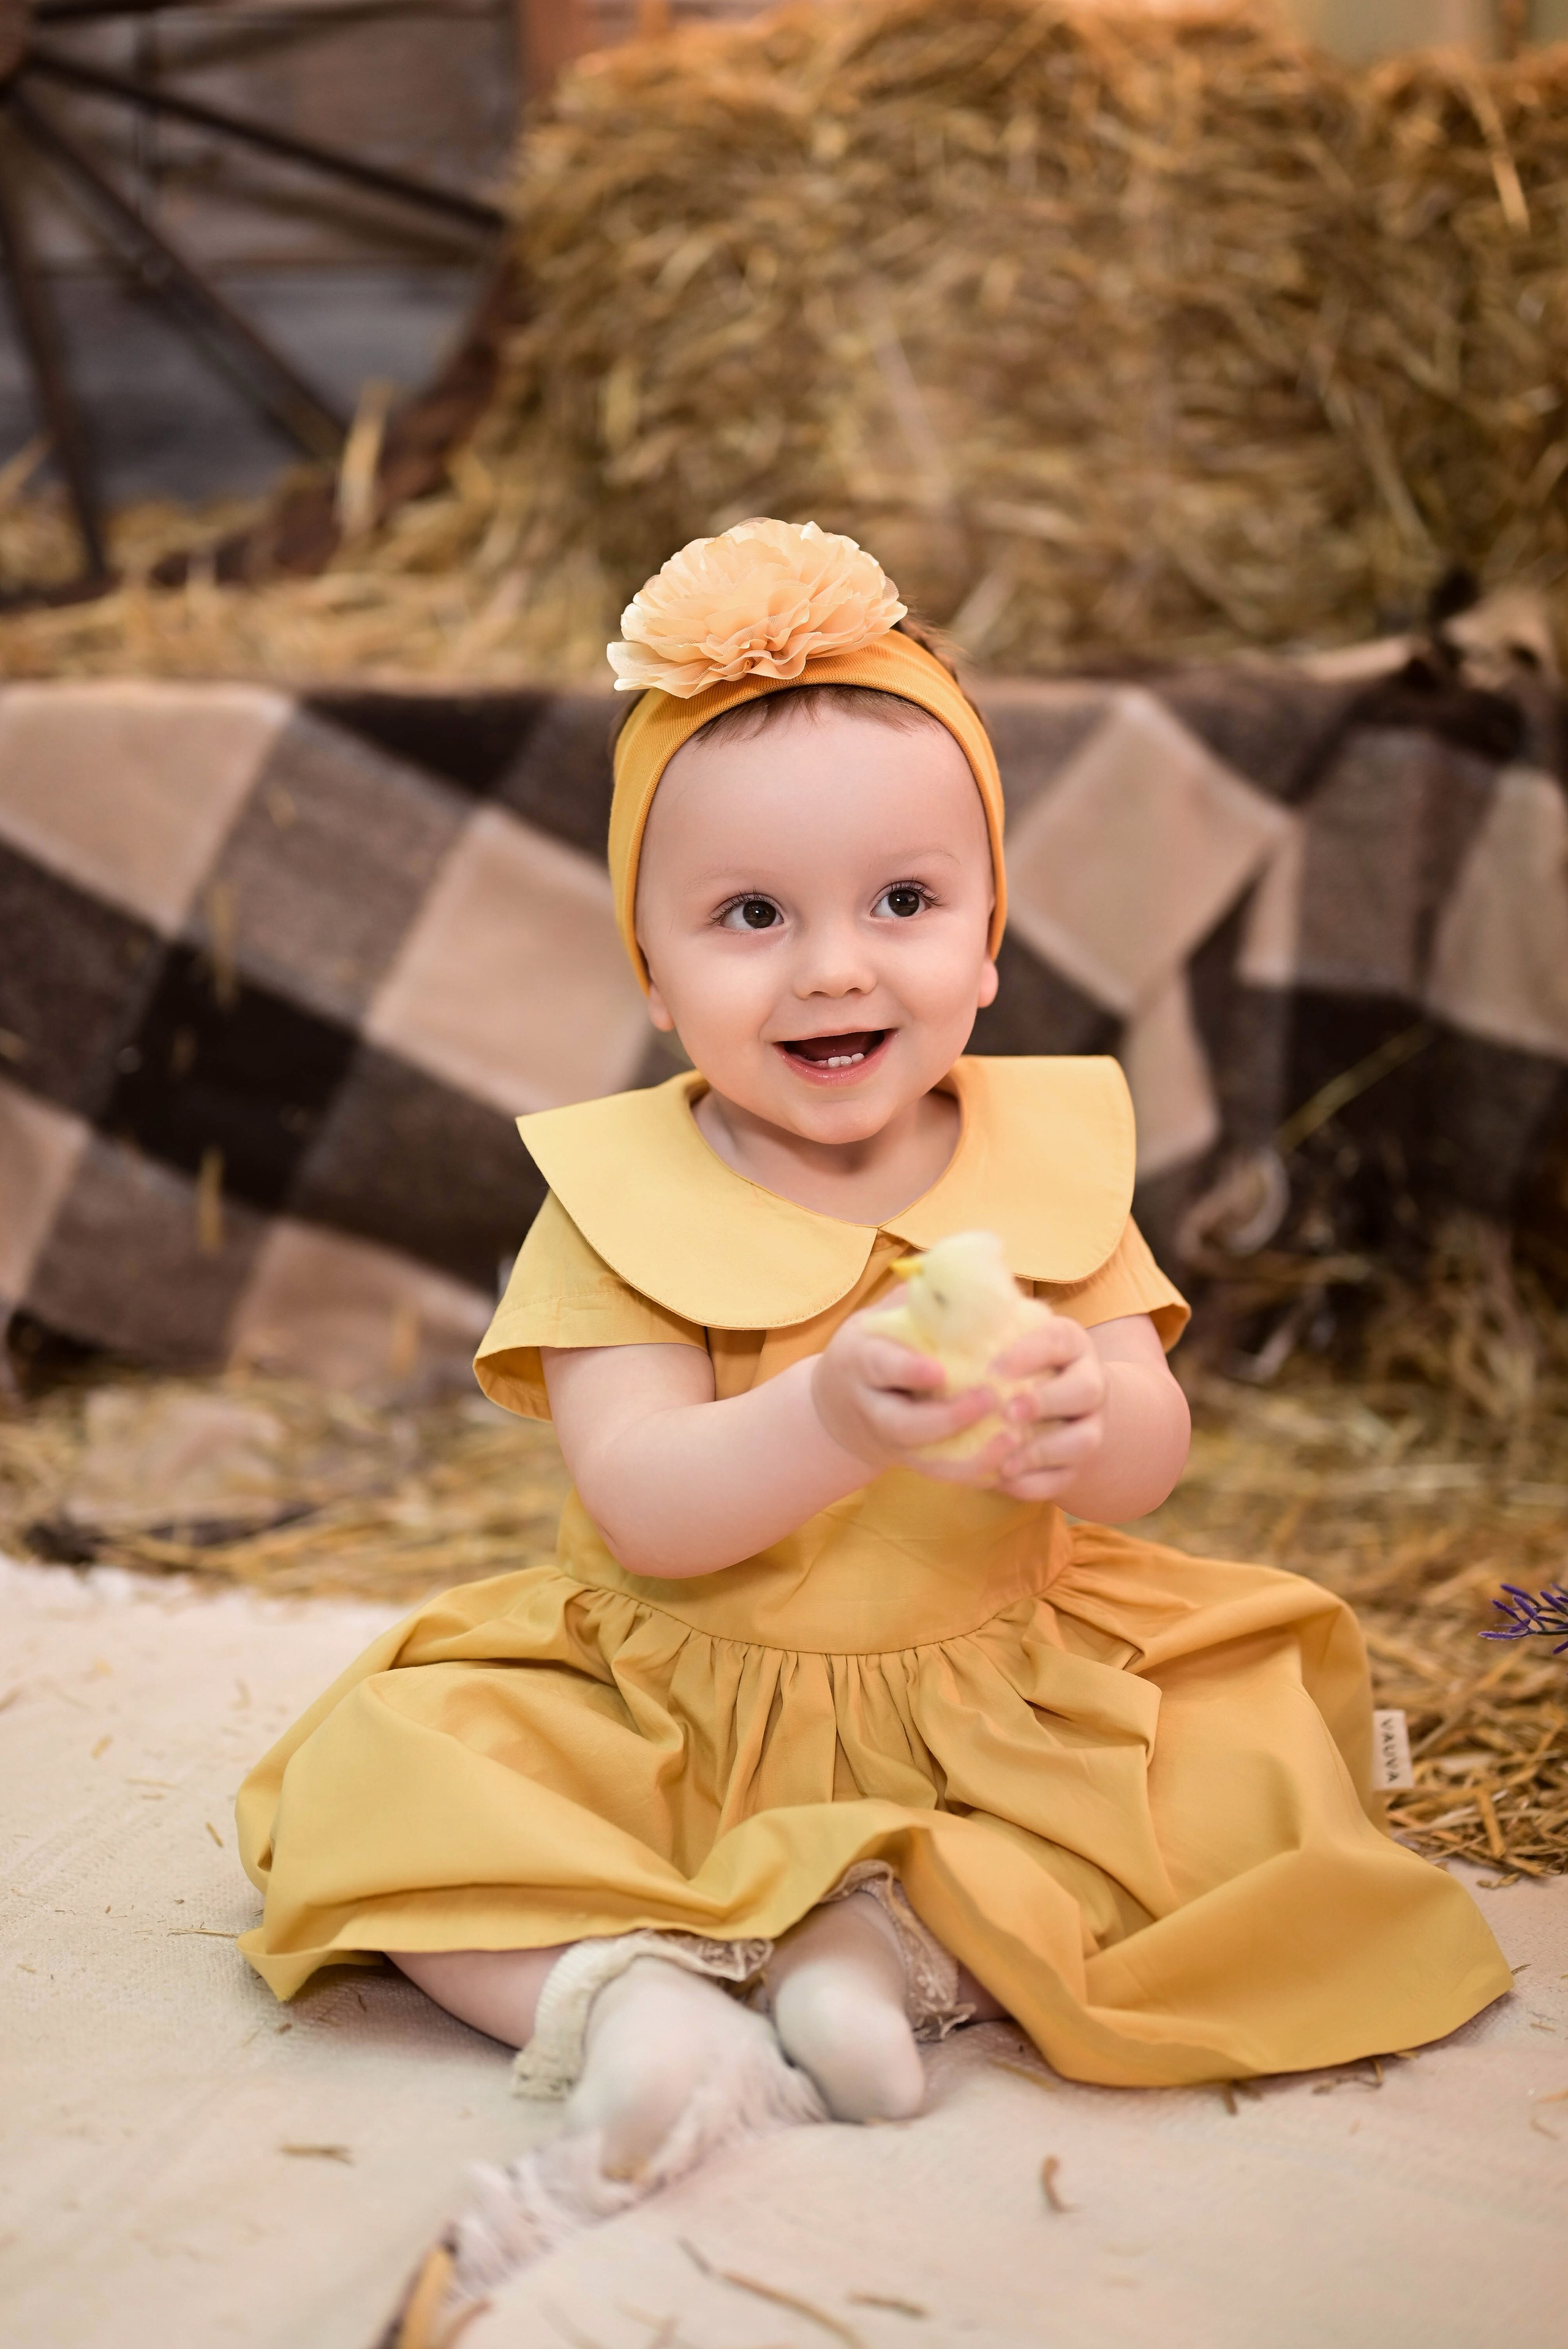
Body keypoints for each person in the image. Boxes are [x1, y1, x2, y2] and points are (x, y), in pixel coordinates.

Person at [236, 517, 1508, 2257]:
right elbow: (648, 1505)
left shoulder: (1040, 1163)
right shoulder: (625, 1200)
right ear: (656, 977)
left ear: (988, 942)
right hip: (690, 1701)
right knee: (394, 1778)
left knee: (1236, 1778)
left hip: (1000, 1687)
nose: (837, 964)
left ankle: (883, 1955)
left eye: (904, 903)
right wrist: (826, 1415)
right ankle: (622, 1997)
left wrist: (1089, 1423)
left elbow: (1148, 1449)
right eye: (751, 916)